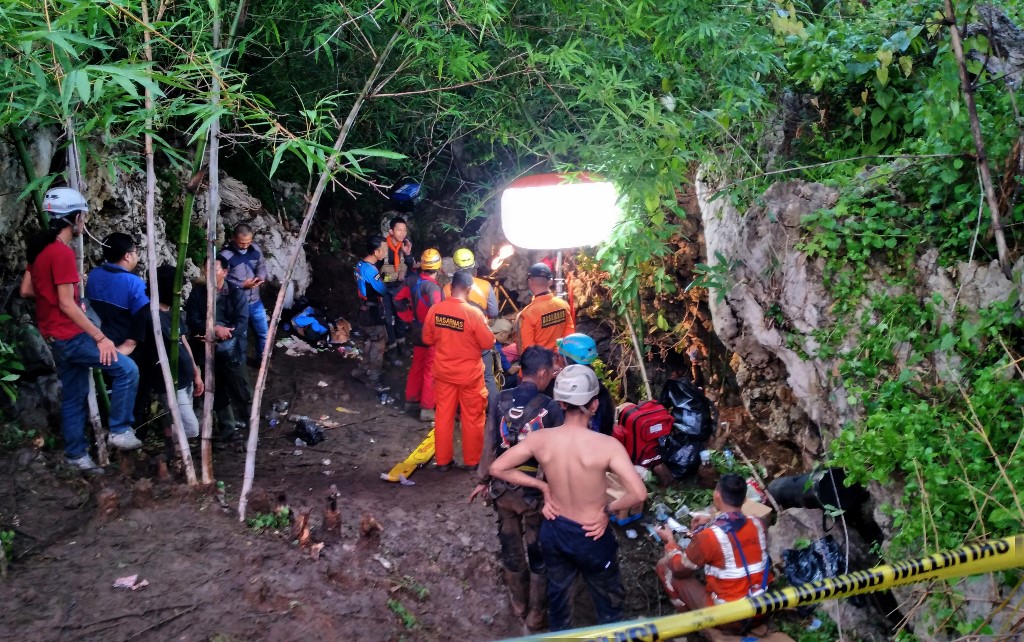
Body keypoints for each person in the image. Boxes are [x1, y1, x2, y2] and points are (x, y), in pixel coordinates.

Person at [489, 365, 648, 631]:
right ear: (594, 405)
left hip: (555, 530)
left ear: (560, 402)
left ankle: (560, 633)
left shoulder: (540, 439)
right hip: (592, 535)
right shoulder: (608, 446)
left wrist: (544, 488)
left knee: (560, 597)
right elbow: (638, 493)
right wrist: (607, 510)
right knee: (608, 601)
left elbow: (497, 468)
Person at [22, 187, 142, 474]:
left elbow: (27, 290)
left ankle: (77, 456)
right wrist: (100, 338)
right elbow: (67, 304)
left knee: (75, 396)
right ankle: (119, 429)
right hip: (71, 336)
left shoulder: (40, 251)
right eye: (83, 216)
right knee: (127, 370)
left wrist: (51, 298)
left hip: (54, 338)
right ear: (74, 218)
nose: (84, 222)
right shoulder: (61, 254)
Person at [469, 346, 564, 631]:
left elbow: (489, 442)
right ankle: (536, 613)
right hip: (534, 494)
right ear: (544, 373)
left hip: (501, 489)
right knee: (538, 551)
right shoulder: (551, 407)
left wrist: (482, 480)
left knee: (510, 544)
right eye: (552, 373)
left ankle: (518, 601)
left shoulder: (500, 399)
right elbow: (554, 459)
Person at [654, 473, 771, 634]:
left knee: (665, 567)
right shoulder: (758, 524)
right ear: (744, 500)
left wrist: (670, 543)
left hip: (730, 618)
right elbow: (736, 525)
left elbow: (678, 569)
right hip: (761, 609)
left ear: (716, 494)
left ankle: (699, 626)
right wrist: (711, 519)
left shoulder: (709, 537)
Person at [421, 270, 495, 471]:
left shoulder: (435, 311)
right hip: (469, 375)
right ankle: (472, 462)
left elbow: (427, 339)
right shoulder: (473, 314)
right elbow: (488, 342)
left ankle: (443, 462)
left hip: (444, 373)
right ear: (469, 290)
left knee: (443, 416)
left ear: (451, 287)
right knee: (472, 417)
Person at [85, 232, 153, 428]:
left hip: (97, 342)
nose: (137, 256)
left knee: (105, 392)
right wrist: (128, 346)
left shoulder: (95, 275)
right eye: (135, 252)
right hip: (123, 348)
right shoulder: (134, 284)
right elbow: (141, 320)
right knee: (133, 393)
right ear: (127, 256)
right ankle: (131, 429)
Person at [185, 256, 251, 441]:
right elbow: (192, 319)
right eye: (207, 269)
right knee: (216, 389)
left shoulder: (236, 293)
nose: (209, 273)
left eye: (214, 270)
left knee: (240, 388)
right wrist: (214, 329)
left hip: (231, 349)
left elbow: (242, 322)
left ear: (225, 272)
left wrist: (225, 333)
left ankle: (250, 425)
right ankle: (227, 427)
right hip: (206, 349)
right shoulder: (198, 293)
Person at [151, 265, 205, 441]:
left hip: (185, 377)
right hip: (170, 383)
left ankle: (175, 457)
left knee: (179, 424)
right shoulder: (149, 316)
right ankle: (170, 442)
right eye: (178, 288)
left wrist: (196, 372)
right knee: (191, 429)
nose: (180, 292)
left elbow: (184, 342)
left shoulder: (173, 313)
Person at [442, 248, 501, 399]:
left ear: (455, 267)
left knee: (456, 376)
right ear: (473, 265)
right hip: (479, 337)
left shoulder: (448, 289)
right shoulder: (485, 285)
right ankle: (494, 411)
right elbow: (494, 313)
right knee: (487, 376)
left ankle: (459, 408)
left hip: (455, 338)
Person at [395, 248, 442, 423]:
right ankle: (427, 409)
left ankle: (412, 400)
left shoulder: (412, 280)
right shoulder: (434, 289)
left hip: (416, 328)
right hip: (431, 333)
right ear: (438, 267)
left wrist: (408, 317)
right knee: (431, 370)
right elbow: (438, 314)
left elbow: (397, 299)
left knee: (417, 365)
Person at [219, 223, 269, 363]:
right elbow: (222, 280)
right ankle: (241, 364)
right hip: (238, 303)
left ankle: (262, 361)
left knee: (264, 333)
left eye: (248, 242)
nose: (245, 246)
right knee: (241, 336)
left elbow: (261, 266)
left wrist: (261, 277)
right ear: (234, 238)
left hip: (256, 300)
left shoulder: (256, 250)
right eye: (241, 243)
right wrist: (242, 285)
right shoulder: (225, 256)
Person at [555, 333, 614, 436]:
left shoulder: (565, 390)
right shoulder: (599, 388)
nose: (557, 359)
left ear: (565, 359)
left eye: (559, 355)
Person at [353, 235, 389, 390]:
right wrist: (386, 281)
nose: (386, 251)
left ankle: (360, 370)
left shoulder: (360, 265)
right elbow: (382, 290)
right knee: (379, 344)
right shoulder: (370, 270)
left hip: (363, 308)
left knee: (371, 340)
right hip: (372, 311)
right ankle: (374, 378)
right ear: (376, 251)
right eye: (385, 249)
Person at [515, 262, 574, 352]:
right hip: (561, 359)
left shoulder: (528, 313)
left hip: (541, 363)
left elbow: (529, 349)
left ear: (530, 281)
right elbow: (569, 335)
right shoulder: (564, 305)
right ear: (550, 281)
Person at [381, 215, 414, 350]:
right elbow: (375, 272)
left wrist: (408, 255)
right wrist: (389, 279)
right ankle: (392, 345)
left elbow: (411, 267)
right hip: (385, 288)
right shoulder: (382, 247)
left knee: (401, 316)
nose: (402, 233)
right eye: (399, 230)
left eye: (404, 230)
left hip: (400, 287)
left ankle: (401, 341)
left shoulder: (405, 245)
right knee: (388, 319)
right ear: (391, 232)